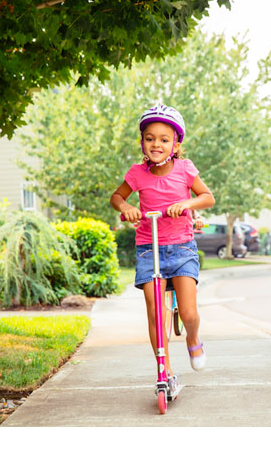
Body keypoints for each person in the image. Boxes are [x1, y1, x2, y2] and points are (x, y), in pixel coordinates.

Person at [110, 104, 215, 394]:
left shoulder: (184, 169)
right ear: (142, 142)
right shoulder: (136, 174)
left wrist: (188, 204)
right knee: (157, 314)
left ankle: (193, 339)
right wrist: (127, 207)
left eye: (164, 139)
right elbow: (116, 197)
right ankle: (164, 370)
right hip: (149, 249)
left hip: (181, 248)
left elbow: (207, 197)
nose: (156, 144)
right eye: (150, 138)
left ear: (175, 144)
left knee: (190, 314)